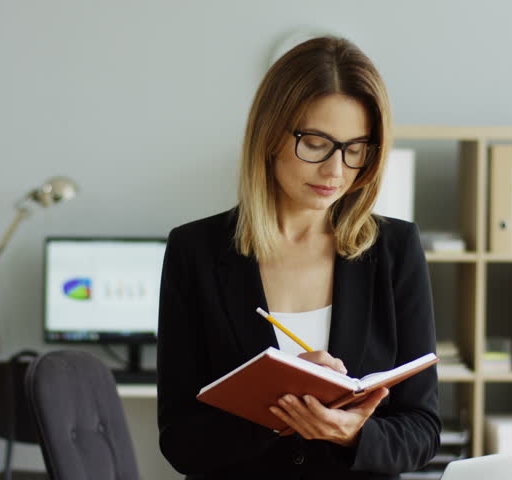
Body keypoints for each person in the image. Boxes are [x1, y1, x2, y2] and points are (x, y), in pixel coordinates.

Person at [157, 36, 440, 479]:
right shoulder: (196, 251)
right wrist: (278, 406)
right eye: (315, 143)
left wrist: (351, 434)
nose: (335, 171)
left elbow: (421, 430)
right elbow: (179, 441)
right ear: (270, 135)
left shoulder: (395, 249)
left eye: (355, 148)